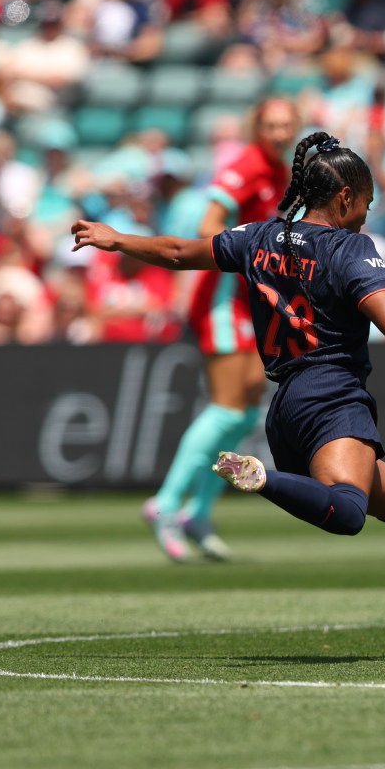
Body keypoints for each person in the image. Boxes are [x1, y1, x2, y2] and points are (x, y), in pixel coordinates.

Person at [71, 131, 385, 653]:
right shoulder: (351, 249)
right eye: (366, 203)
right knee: (349, 513)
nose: (366, 215)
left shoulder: (259, 236)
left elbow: (177, 252)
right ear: (345, 197)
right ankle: (262, 478)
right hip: (332, 395)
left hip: (286, 406)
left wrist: (118, 239)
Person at [137, 98, 299, 563]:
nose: (278, 133)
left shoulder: (280, 172)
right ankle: (167, 503)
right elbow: (210, 222)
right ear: (257, 127)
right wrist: (248, 253)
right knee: (228, 409)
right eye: (270, 125)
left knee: (245, 413)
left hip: (251, 300)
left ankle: (199, 511)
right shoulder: (247, 165)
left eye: (285, 125)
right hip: (224, 299)